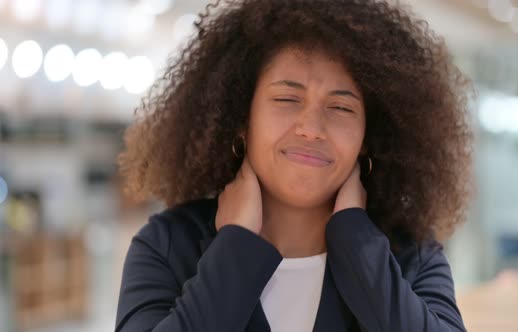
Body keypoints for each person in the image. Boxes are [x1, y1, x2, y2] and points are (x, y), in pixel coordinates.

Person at [115, 0, 473, 331]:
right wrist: (234, 247)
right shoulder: (168, 245)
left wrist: (355, 241)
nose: (311, 129)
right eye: (287, 98)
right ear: (241, 117)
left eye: (341, 107)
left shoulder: (413, 256)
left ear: (368, 135)